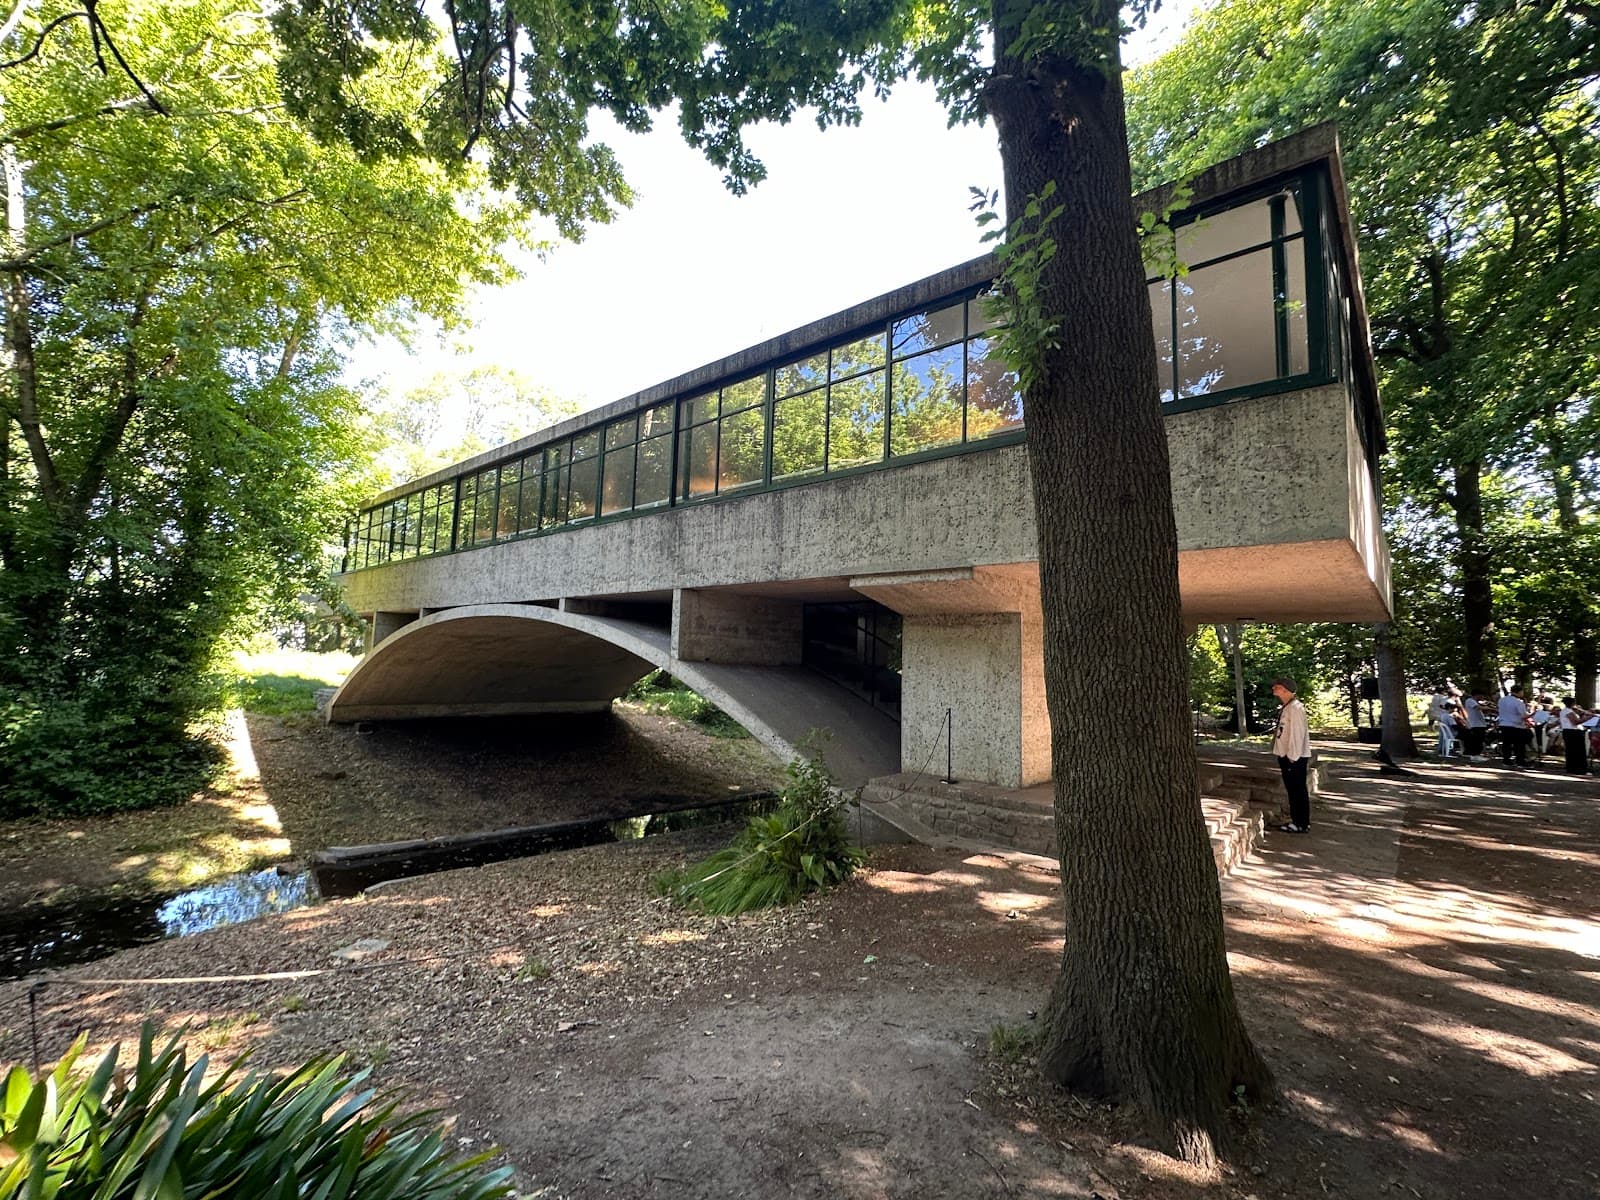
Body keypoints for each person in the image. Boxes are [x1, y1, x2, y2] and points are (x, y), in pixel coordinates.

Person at [1271, 676, 1312, 834]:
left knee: (1297, 790)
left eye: (1277, 686)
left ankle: (1300, 823)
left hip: (1294, 757)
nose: (1274, 688)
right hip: (1288, 755)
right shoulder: (1288, 707)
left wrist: (1292, 757)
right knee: (1294, 790)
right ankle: (1299, 821)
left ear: (1285, 689)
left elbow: (1297, 734)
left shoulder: (1295, 708)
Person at [1497, 685, 1532, 768]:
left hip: (1504, 724)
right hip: (1516, 725)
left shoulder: (1502, 700)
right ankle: (1520, 761)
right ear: (1519, 692)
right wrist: (1533, 714)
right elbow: (1523, 716)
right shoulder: (1518, 702)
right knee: (1519, 744)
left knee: (1506, 743)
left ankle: (1506, 760)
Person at [1559, 697, 1593, 775]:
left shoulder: (1566, 711)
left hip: (1570, 732)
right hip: (1572, 732)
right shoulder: (1568, 711)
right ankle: (1579, 769)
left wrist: (1584, 713)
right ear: (1572, 703)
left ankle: (1572, 768)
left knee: (1571, 751)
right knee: (1578, 751)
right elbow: (1576, 722)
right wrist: (1589, 717)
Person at [1426, 685, 1458, 759]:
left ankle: (1442, 748)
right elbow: (1442, 706)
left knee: (1443, 733)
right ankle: (1446, 748)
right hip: (1443, 714)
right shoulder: (1444, 698)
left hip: (1440, 715)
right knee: (1446, 732)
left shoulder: (1436, 696)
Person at [1461, 690, 1489, 760]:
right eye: (1482, 695)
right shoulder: (1470, 701)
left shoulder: (1474, 701)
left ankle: (1474, 754)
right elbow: (1479, 707)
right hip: (1476, 724)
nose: (1483, 697)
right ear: (1477, 695)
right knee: (1477, 740)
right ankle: (1475, 755)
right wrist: (1491, 708)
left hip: (1479, 724)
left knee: (1479, 740)